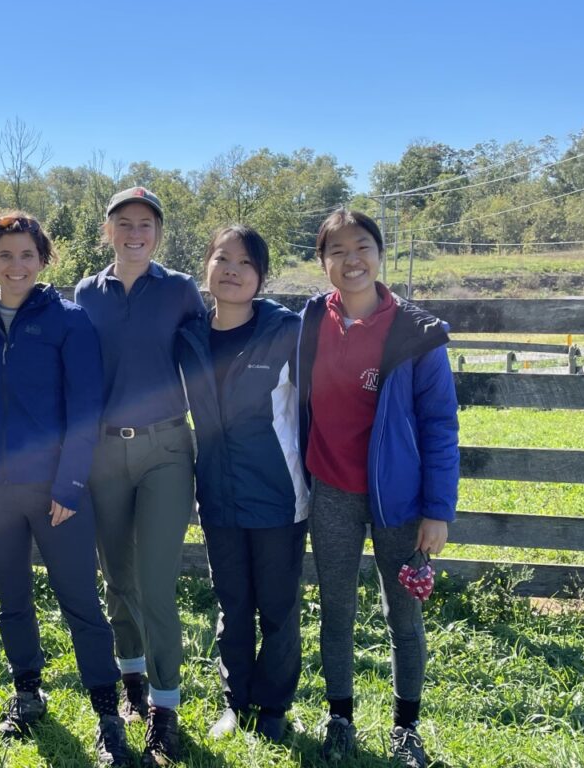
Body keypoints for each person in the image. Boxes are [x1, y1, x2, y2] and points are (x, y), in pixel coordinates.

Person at [0, 212, 132, 765]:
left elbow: (86, 409)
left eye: (27, 255)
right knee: (12, 599)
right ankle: (28, 692)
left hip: (55, 490)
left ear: (43, 260)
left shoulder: (69, 320)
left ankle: (108, 713)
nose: (17, 266)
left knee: (80, 599)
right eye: (5, 255)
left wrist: (71, 483)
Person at [298, 210, 458, 768]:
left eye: (362, 246)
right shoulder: (312, 319)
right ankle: (339, 715)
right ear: (322, 263)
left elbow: (440, 424)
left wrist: (437, 511)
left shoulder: (417, 333)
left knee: (402, 617)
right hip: (332, 490)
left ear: (380, 252)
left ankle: (405, 726)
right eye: (336, 250)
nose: (351, 260)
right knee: (336, 611)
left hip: (401, 500)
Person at [74, 187, 206, 767]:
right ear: (107, 230)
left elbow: (216, 345)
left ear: (158, 233)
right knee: (118, 578)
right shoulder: (85, 293)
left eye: (145, 224)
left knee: (155, 583)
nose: (134, 233)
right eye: (123, 223)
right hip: (104, 453)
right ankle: (130, 683)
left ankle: (165, 708)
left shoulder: (178, 289)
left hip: (166, 450)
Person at [176, 226, 308, 743]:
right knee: (232, 606)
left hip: (278, 493)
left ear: (260, 277)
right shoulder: (187, 337)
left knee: (277, 607)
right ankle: (236, 703)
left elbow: (317, 406)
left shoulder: (286, 332)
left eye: (245, 263)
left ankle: (273, 709)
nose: (232, 270)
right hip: (218, 494)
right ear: (206, 267)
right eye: (222, 259)